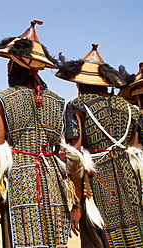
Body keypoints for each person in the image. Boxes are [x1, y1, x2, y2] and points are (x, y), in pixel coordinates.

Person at [0, 20, 71, 248]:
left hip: (19, 176)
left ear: (13, 67)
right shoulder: (58, 101)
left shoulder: (3, 98)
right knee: (52, 237)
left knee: (19, 238)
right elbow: (62, 149)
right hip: (52, 178)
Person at [57, 44, 143, 247]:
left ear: (80, 83)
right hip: (129, 183)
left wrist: (77, 203)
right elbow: (135, 152)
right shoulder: (130, 108)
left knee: (97, 240)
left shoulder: (77, 106)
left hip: (95, 185)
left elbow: (75, 156)